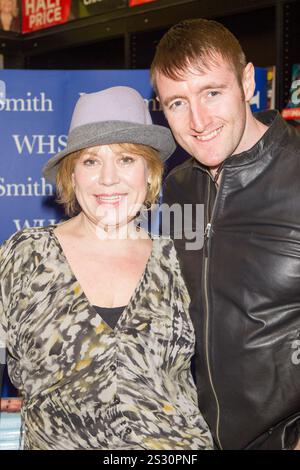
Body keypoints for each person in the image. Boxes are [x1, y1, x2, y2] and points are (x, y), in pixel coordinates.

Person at [0, 86, 213, 450]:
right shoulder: (26, 256)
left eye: (127, 159)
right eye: (91, 161)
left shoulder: (181, 259)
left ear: (149, 173)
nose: (109, 178)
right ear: (72, 175)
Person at [150, 18, 300, 450]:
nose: (198, 121)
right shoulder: (178, 186)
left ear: (247, 82)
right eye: (176, 103)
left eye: (211, 93)